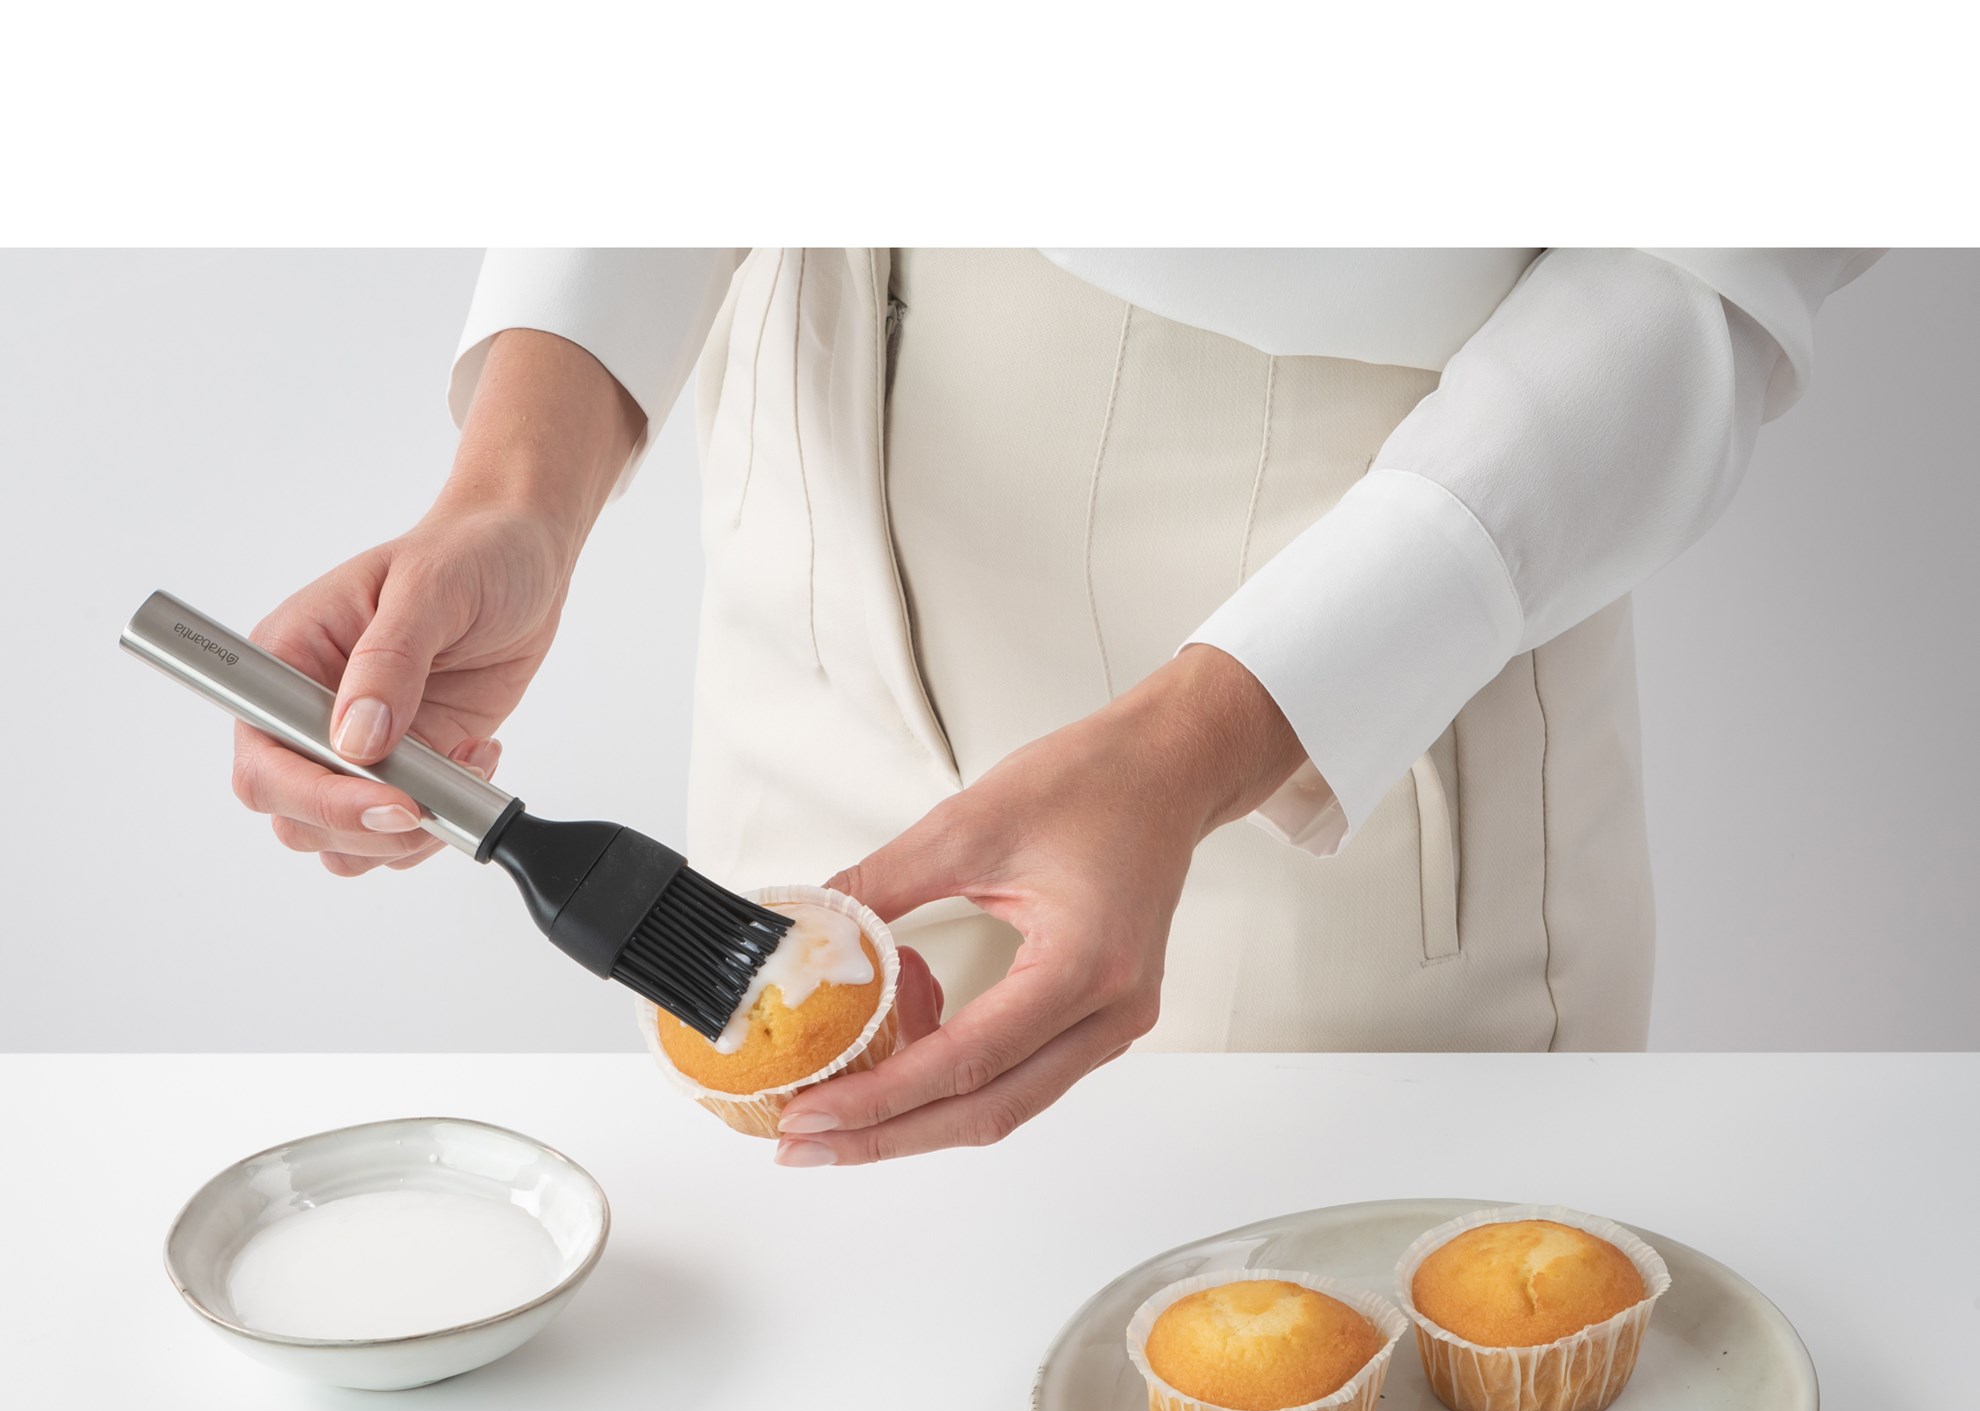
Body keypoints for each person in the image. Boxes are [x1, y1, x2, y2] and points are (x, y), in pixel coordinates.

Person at [234, 247, 1878, 1164]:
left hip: (1323, 651)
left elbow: (1707, 259)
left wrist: (1210, 737)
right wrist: (515, 486)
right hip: (801, 522)